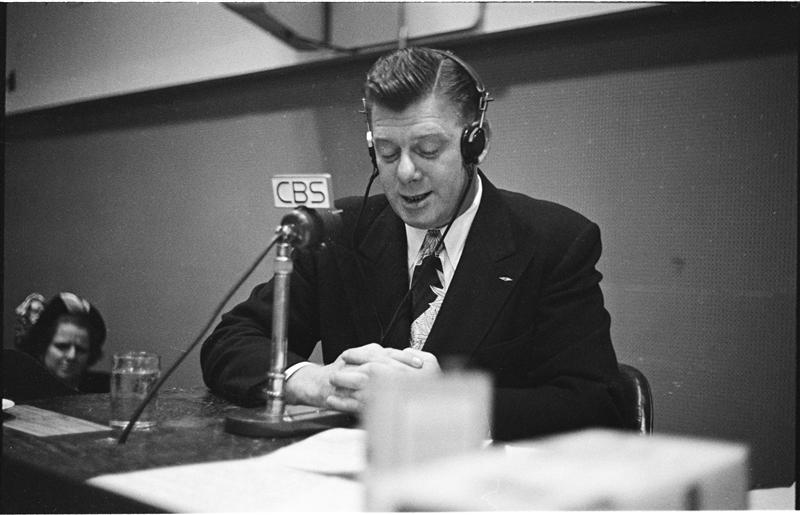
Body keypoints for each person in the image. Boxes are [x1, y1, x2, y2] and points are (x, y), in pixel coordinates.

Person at [201, 47, 626, 440]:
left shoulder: (554, 241)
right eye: (387, 153)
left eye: (427, 149)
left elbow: (597, 404)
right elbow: (229, 342)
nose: (405, 173)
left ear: (476, 143)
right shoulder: (340, 231)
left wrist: (450, 400)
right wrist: (316, 382)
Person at [15, 291, 110, 394]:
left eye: (80, 350)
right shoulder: (20, 388)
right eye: (62, 346)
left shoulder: (105, 387)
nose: (71, 356)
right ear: (43, 347)